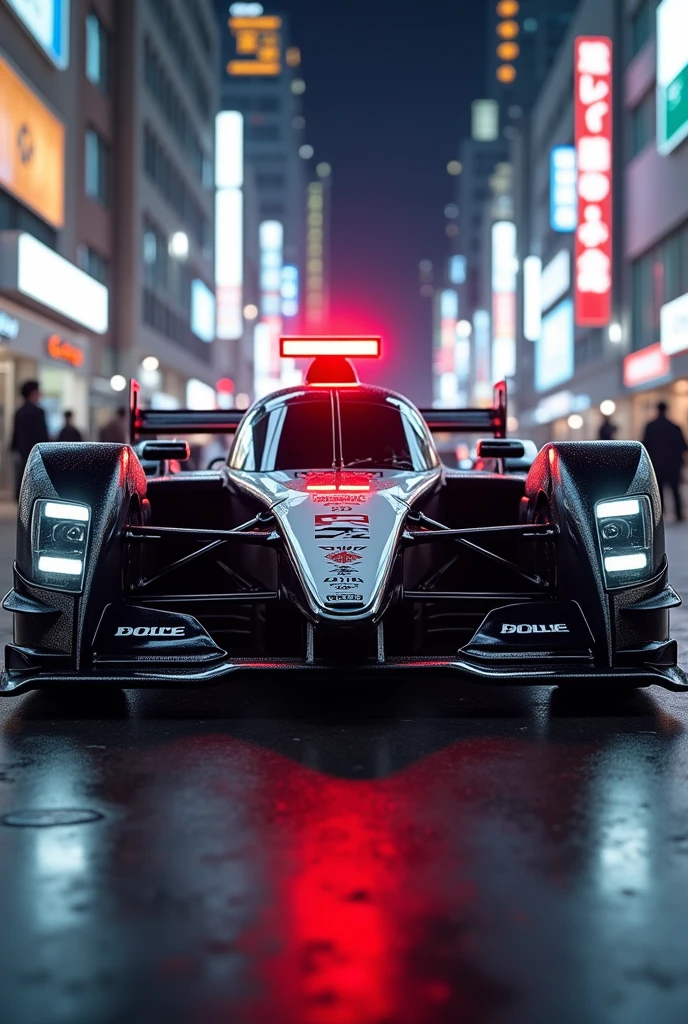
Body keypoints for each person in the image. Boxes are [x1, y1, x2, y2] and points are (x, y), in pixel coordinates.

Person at [642, 401, 688, 521]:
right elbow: (683, 446)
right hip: (673, 464)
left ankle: (659, 516)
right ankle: (678, 515)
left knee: (658, 491)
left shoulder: (650, 427)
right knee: (675, 490)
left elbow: (646, 445)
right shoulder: (675, 427)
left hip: (656, 464)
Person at [10, 380, 49, 501]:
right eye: (38, 392)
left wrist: (13, 449)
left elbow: (15, 434)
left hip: (21, 453)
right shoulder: (39, 412)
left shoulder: (19, 412)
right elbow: (43, 436)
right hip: (36, 454)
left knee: (21, 478)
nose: (40, 394)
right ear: (32, 393)